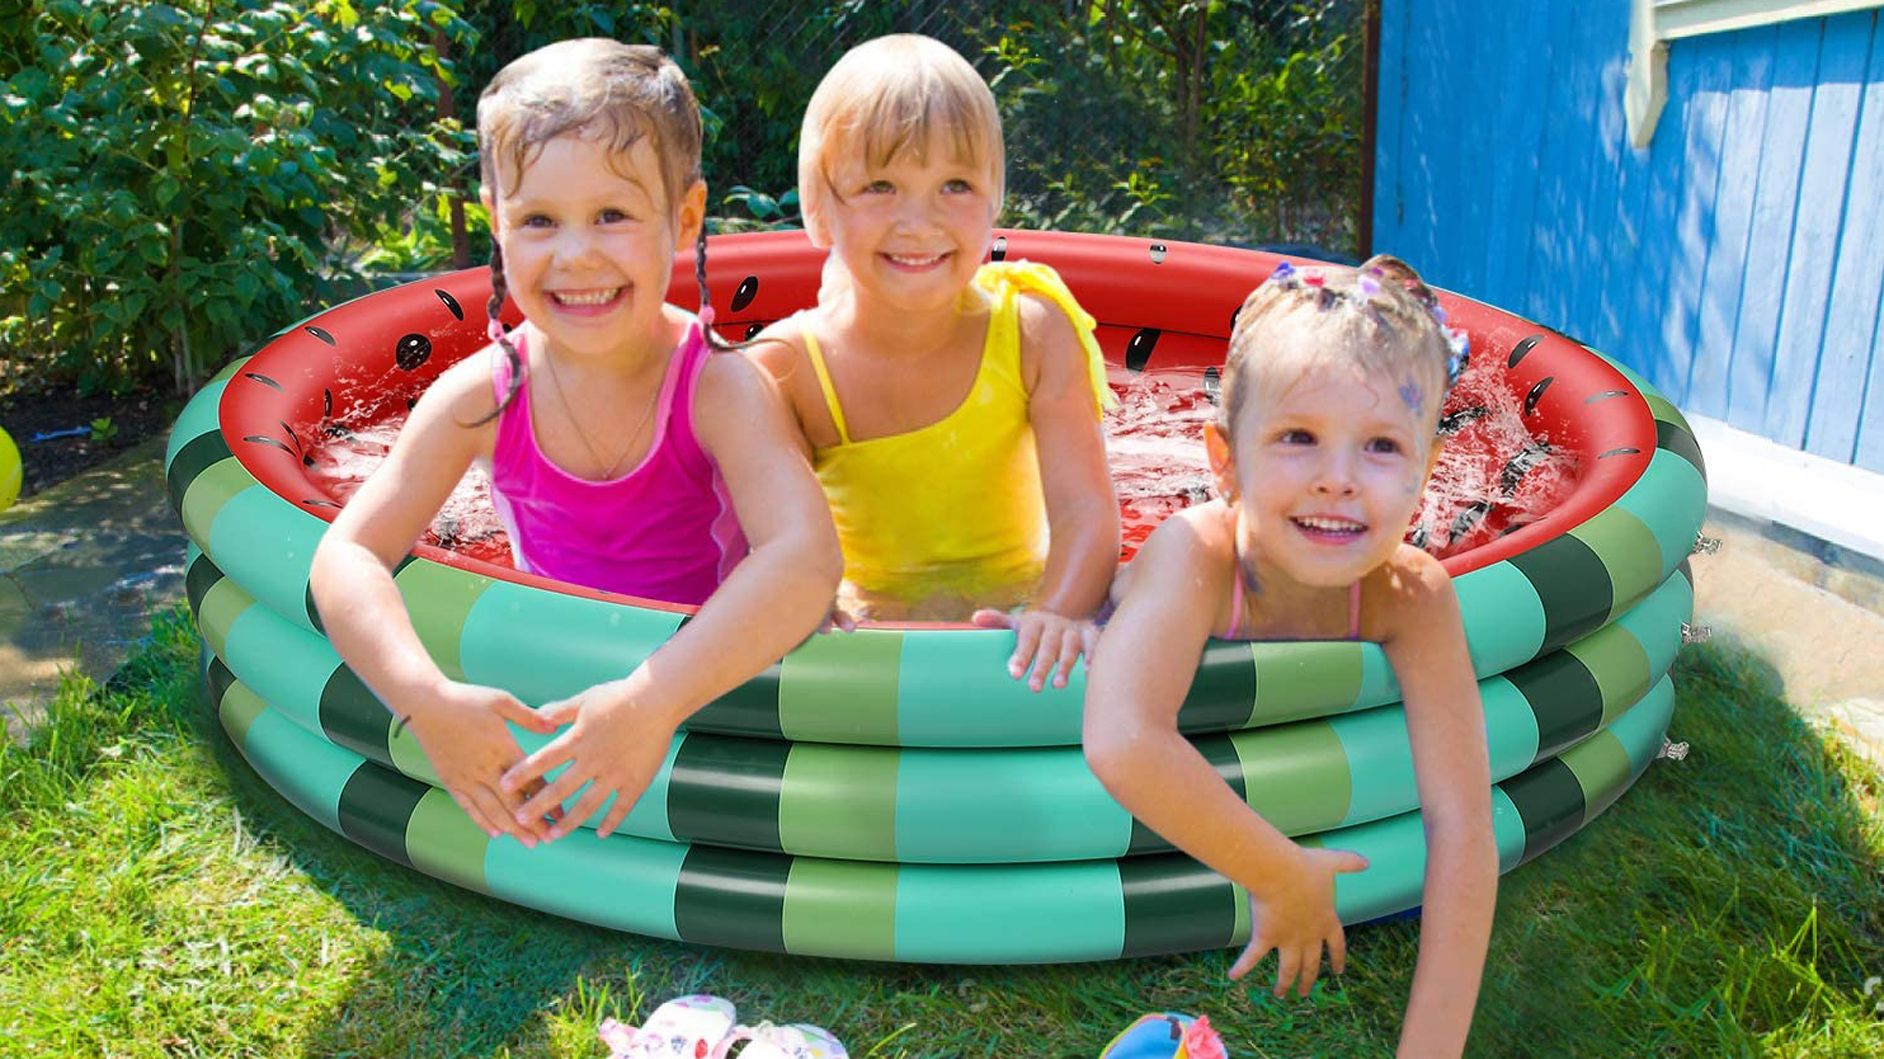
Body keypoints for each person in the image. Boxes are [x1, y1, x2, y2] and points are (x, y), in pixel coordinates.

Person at [309, 39, 840, 849]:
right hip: (572, 680)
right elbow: (345, 556)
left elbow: (803, 561)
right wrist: (425, 700)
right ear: (497, 223)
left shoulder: (718, 389)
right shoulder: (485, 397)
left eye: (613, 215)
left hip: (718, 687)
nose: (575, 254)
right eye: (539, 221)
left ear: (686, 218)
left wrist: (653, 698)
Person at [1084, 257, 1497, 1056]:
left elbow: (1463, 825)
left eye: (1381, 445)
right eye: (1298, 437)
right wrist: (1281, 872)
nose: (1337, 480)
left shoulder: (1412, 595)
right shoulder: (1193, 554)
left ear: (1428, 471)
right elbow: (1122, 737)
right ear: (1225, 460)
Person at [747, 34, 1119, 691]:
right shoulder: (789, 369)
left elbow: (1088, 516)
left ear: (995, 203)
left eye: (955, 185)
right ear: (819, 210)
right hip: (866, 641)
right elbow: (754, 542)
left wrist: (1055, 614)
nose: (918, 222)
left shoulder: (1032, 331)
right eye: (881, 186)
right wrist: (801, 602)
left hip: (1018, 618)